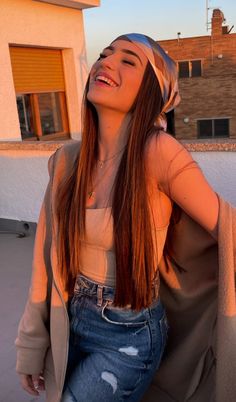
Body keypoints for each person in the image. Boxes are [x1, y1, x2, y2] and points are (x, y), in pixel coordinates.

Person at [15, 34, 236, 402]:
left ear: (151, 90)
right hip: (70, 322)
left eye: (128, 61)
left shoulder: (159, 153)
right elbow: (45, 261)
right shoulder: (67, 161)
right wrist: (31, 344)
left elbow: (226, 227)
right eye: (105, 54)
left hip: (129, 334)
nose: (107, 62)